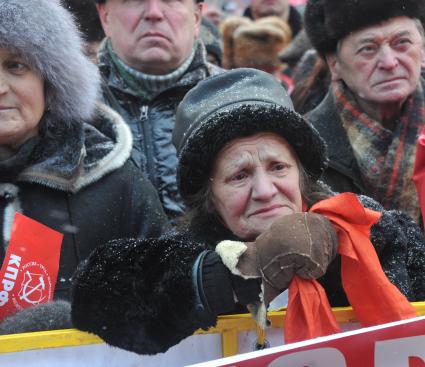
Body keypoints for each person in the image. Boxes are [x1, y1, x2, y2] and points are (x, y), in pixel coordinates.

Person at [71, 68, 425, 355]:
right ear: (210, 197)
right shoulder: (190, 249)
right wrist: (242, 271)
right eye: (239, 176)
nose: (265, 190)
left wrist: (334, 249)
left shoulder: (366, 227)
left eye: (278, 167)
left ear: (301, 175)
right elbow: (95, 295)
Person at [0, 0, 168, 331]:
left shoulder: (113, 180)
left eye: (16, 66)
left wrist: (78, 323)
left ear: (51, 80)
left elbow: (166, 296)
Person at [93, 0, 222, 219]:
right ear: (105, 16)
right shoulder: (63, 107)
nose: (153, 13)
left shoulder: (238, 97)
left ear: (197, 16)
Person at [304, 0, 425, 222]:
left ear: (423, 50)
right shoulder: (303, 148)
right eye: (368, 49)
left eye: (402, 42)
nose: (389, 62)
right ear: (334, 65)